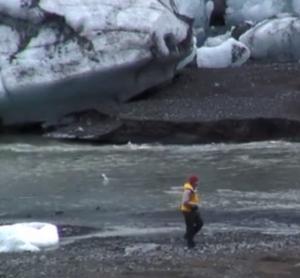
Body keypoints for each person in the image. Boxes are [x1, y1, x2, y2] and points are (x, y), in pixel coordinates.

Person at [180, 175, 203, 248]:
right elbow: (184, 202)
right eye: (196, 182)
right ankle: (190, 243)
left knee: (200, 223)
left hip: (193, 209)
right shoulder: (188, 190)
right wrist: (194, 204)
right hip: (188, 211)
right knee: (190, 226)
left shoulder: (192, 188)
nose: (198, 183)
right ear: (193, 182)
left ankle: (188, 236)